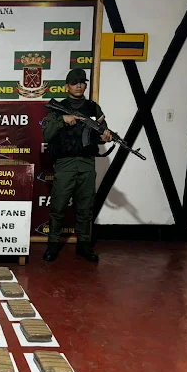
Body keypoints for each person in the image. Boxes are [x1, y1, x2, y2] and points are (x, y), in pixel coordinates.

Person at [41, 68, 112, 262]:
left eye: (82, 82)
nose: (79, 86)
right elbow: (46, 134)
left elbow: (101, 132)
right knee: (58, 208)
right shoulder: (58, 108)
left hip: (87, 164)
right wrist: (62, 120)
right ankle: (53, 246)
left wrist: (105, 136)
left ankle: (84, 246)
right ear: (67, 87)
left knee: (85, 209)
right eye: (74, 83)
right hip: (65, 164)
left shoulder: (93, 108)